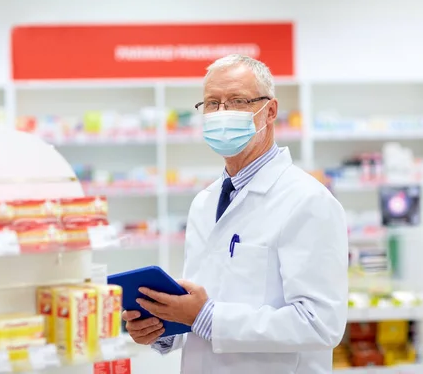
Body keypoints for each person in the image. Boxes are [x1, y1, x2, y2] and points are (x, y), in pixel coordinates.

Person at [122, 54, 348, 373]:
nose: (222, 113)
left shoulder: (308, 201)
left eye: (237, 100)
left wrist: (206, 317)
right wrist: (161, 328)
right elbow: (203, 310)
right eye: (212, 103)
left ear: (269, 111)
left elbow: (321, 324)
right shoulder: (204, 202)